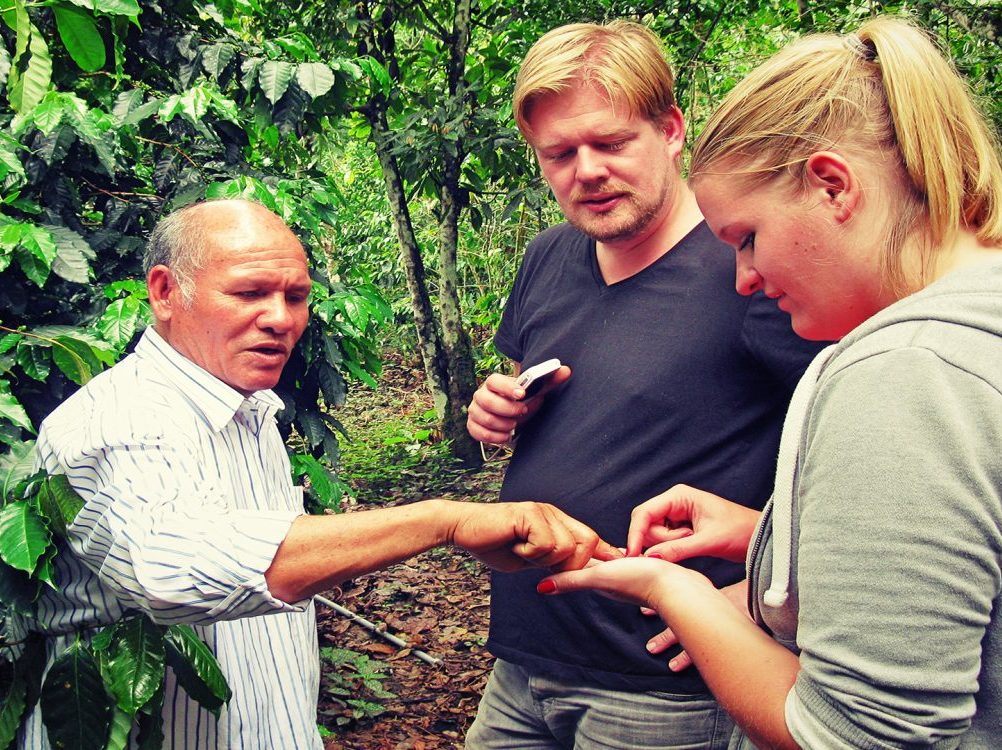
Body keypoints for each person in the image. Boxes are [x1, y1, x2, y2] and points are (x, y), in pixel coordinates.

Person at [540, 16, 1002, 749]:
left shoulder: (901, 372)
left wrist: (675, 591)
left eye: (748, 239)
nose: (745, 278)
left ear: (833, 187)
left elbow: (862, 736)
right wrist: (769, 538)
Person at [20, 199, 620, 750]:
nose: (280, 319)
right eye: (249, 292)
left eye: (296, 296)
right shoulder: (120, 419)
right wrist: (445, 521)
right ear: (165, 291)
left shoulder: (249, 409)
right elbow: (174, 570)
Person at [464, 20, 826, 749]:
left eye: (611, 143)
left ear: (671, 130)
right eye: (560, 154)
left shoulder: (751, 265)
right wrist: (496, 407)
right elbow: (563, 396)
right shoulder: (549, 256)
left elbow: (858, 462)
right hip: (525, 659)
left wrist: (761, 596)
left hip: (664, 686)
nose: (587, 171)